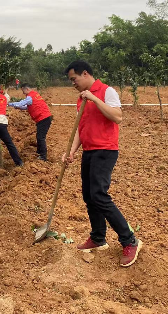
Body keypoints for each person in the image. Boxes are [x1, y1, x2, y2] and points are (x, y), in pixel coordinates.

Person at [63, 60, 142, 267]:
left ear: (86, 73)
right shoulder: (80, 100)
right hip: (89, 151)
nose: (73, 84)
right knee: (89, 195)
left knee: (99, 194)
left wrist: (94, 99)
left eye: (74, 79)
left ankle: (129, 239)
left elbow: (117, 117)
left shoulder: (107, 91)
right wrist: (71, 151)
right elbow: (81, 129)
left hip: (105, 150)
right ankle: (98, 238)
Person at [8, 84, 52, 161]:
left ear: (27, 89)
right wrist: (19, 107)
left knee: (40, 137)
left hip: (43, 118)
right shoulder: (35, 95)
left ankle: (43, 156)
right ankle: (39, 152)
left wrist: (9, 104)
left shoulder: (30, 97)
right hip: (44, 118)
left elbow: (21, 103)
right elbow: (27, 106)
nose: (23, 93)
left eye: (23, 91)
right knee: (39, 136)